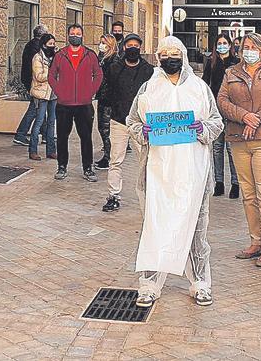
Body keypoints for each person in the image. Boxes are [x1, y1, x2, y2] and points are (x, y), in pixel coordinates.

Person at [127, 36, 223, 308]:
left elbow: (216, 121)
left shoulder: (199, 88)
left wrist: (202, 130)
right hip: (157, 172)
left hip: (193, 171)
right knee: (155, 226)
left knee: (195, 228)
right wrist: (141, 132)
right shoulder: (148, 89)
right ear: (158, 57)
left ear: (183, 55)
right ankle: (149, 285)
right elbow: (132, 120)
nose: (171, 58)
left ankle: (200, 283)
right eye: (165, 53)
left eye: (175, 53)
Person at [216, 32, 261, 268]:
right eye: (245, 47)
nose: (248, 50)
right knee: (248, 194)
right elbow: (222, 101)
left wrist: (257, 119)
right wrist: (244, 116)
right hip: (239, 138)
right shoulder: (231, 73)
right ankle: (255, 241)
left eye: (253, 47)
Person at [100, 34, 155, 212]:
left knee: (146, 160)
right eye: (129, 45)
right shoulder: (115, 68)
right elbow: (106, 90)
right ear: (124, 48)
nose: (133, 48)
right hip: (119, 121)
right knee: (115, 160)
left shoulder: (149, 71)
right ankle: (113, 195)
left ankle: (150, 196)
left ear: (140, 48)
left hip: (141, 124)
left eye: (136, 45)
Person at [48, 24, 104, 182]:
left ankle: (88, 168)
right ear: (67, 36)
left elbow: (98, 74)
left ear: (82, 35)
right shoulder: (60, 55)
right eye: (72, 33)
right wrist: (60, 92)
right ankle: (62, 166)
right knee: (62, 137)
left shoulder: (90, 55)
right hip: (64, 105)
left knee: (86, 137)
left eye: (78, 33)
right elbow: (51, 76)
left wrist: (90, 91)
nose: (75, 35)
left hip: (84, 104)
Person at [202, 34, 239, 198]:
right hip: (215, 110)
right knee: (217, 148)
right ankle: (219, 183)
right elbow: (205, 84)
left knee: (231, 148)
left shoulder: (236, 63)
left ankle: (235, 183)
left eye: (225, 43)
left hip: (232, 109)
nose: (222, 46)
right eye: (219, 43)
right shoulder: (211, 62)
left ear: (230, 45)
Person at [14, 23, 49, 146]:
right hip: (34, 82)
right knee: (34, 108)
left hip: (31, 80)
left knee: (39, 107)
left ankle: (45, 134)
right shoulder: (36, 47)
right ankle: (21, 134)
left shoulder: (32, 45)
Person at [27, 33, 58, 161]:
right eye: (50, 44)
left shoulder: (55, 57)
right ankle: (32, 150)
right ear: (44, 45)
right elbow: (39, 77)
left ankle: (51, 150)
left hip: (53, 93)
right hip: (41, 94)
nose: (52, 46)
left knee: (51, 123)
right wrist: (52, 72)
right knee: (39, 122)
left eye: (53, 44)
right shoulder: (37, 58)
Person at [94, 33, 120, 171]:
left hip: (109, 100)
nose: (101, 45)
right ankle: (107, 155)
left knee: (106, 129)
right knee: (102, 128)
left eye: (104, 43)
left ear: (110, 45)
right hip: (103, 98)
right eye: (100, 42)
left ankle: (108, 157)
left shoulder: (113, 61)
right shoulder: (103, 58)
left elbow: (113, 82)